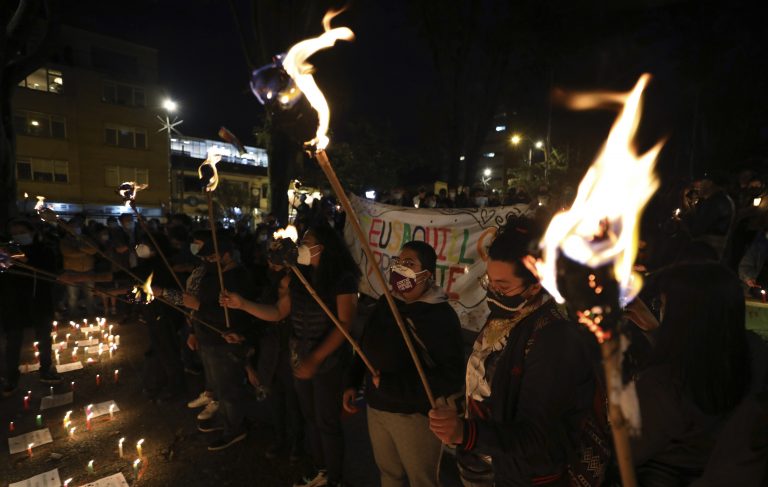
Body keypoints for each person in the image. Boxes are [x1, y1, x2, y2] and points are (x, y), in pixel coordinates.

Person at [428, 217, 601, 486]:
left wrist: (466, 432)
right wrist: (462, 407)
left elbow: (537, 437)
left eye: (503, 286)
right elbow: (494, 389)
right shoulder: (507, 315)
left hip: (521, 477)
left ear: (535, 284)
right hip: (486, 465)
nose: (493, 293)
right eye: (489, 283)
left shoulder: (554, 339)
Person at [221, 225, 360, 487]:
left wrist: (316, 359)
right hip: (301, 358)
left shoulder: (343, 279)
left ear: (325, 246)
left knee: (327, 421)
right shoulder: (295, 278)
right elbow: (277, 312)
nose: (301, 247)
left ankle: (336, 479)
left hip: (329, 362)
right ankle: (321, 469)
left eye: (307, 241)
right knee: (310, 418)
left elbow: (345, 325)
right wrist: (243, 304)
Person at [630, 262, 768, 485]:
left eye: (663, 305)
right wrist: (656, 331)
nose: (660, 311)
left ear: (682, 316)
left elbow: (629, 452)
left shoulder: (662, 385)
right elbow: (702, 355)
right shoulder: (755, 351)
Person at [343, 240, 464, 487]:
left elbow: (450, 375)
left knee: (423, 480)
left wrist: (393, 385)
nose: (400, 268)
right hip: (376, 408)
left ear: (427, 274)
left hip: (414, 416)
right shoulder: (387, 302)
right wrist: (353, 382)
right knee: (389, 474)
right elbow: (365, 345)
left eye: (408, 264)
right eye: (398, 262)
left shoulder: (439, 316)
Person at [183, 234, 256, 451]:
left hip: (224, 341)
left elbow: (233, 316)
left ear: (226, 255)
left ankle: (235, 428)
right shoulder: (210, 274)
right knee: (217, 386)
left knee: (229, 389)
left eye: (213, 256)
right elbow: (200, 306)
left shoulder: (239, 278)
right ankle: (226, 420)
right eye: (206, 257)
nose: (208, 261)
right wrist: (193, 330)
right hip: (205, 337)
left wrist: (198, 307)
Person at [1, 219, 62, 396]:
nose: (18, 235)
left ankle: (46, 369)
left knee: (44, 338)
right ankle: (11, 377)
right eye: (14, 233)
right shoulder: (5, 252)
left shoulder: (44, 250)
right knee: (13, 341)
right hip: (13, 304)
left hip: (39, 301)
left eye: (22, 231)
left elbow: (51, 272)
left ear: (32, 232)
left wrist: (28, 261)